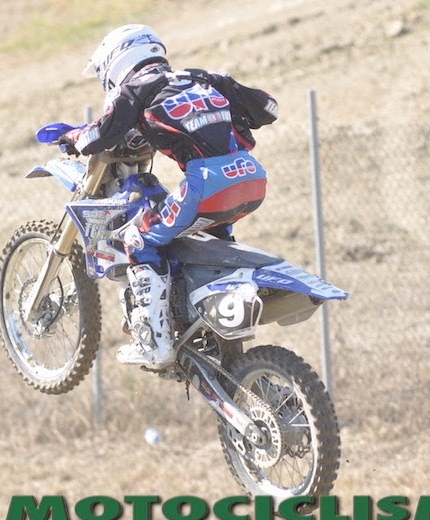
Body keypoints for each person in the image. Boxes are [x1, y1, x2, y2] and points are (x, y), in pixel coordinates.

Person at [60, 24, 278, 368]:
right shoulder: (203, 77)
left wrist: (72, 137)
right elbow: (268, 108)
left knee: (137, 240)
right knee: (208, 238)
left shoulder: (135, 89)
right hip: (252, 178)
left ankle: (155, 344)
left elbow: (98, 137)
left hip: (207, 183)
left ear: (116, 62)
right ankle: (209, 321)